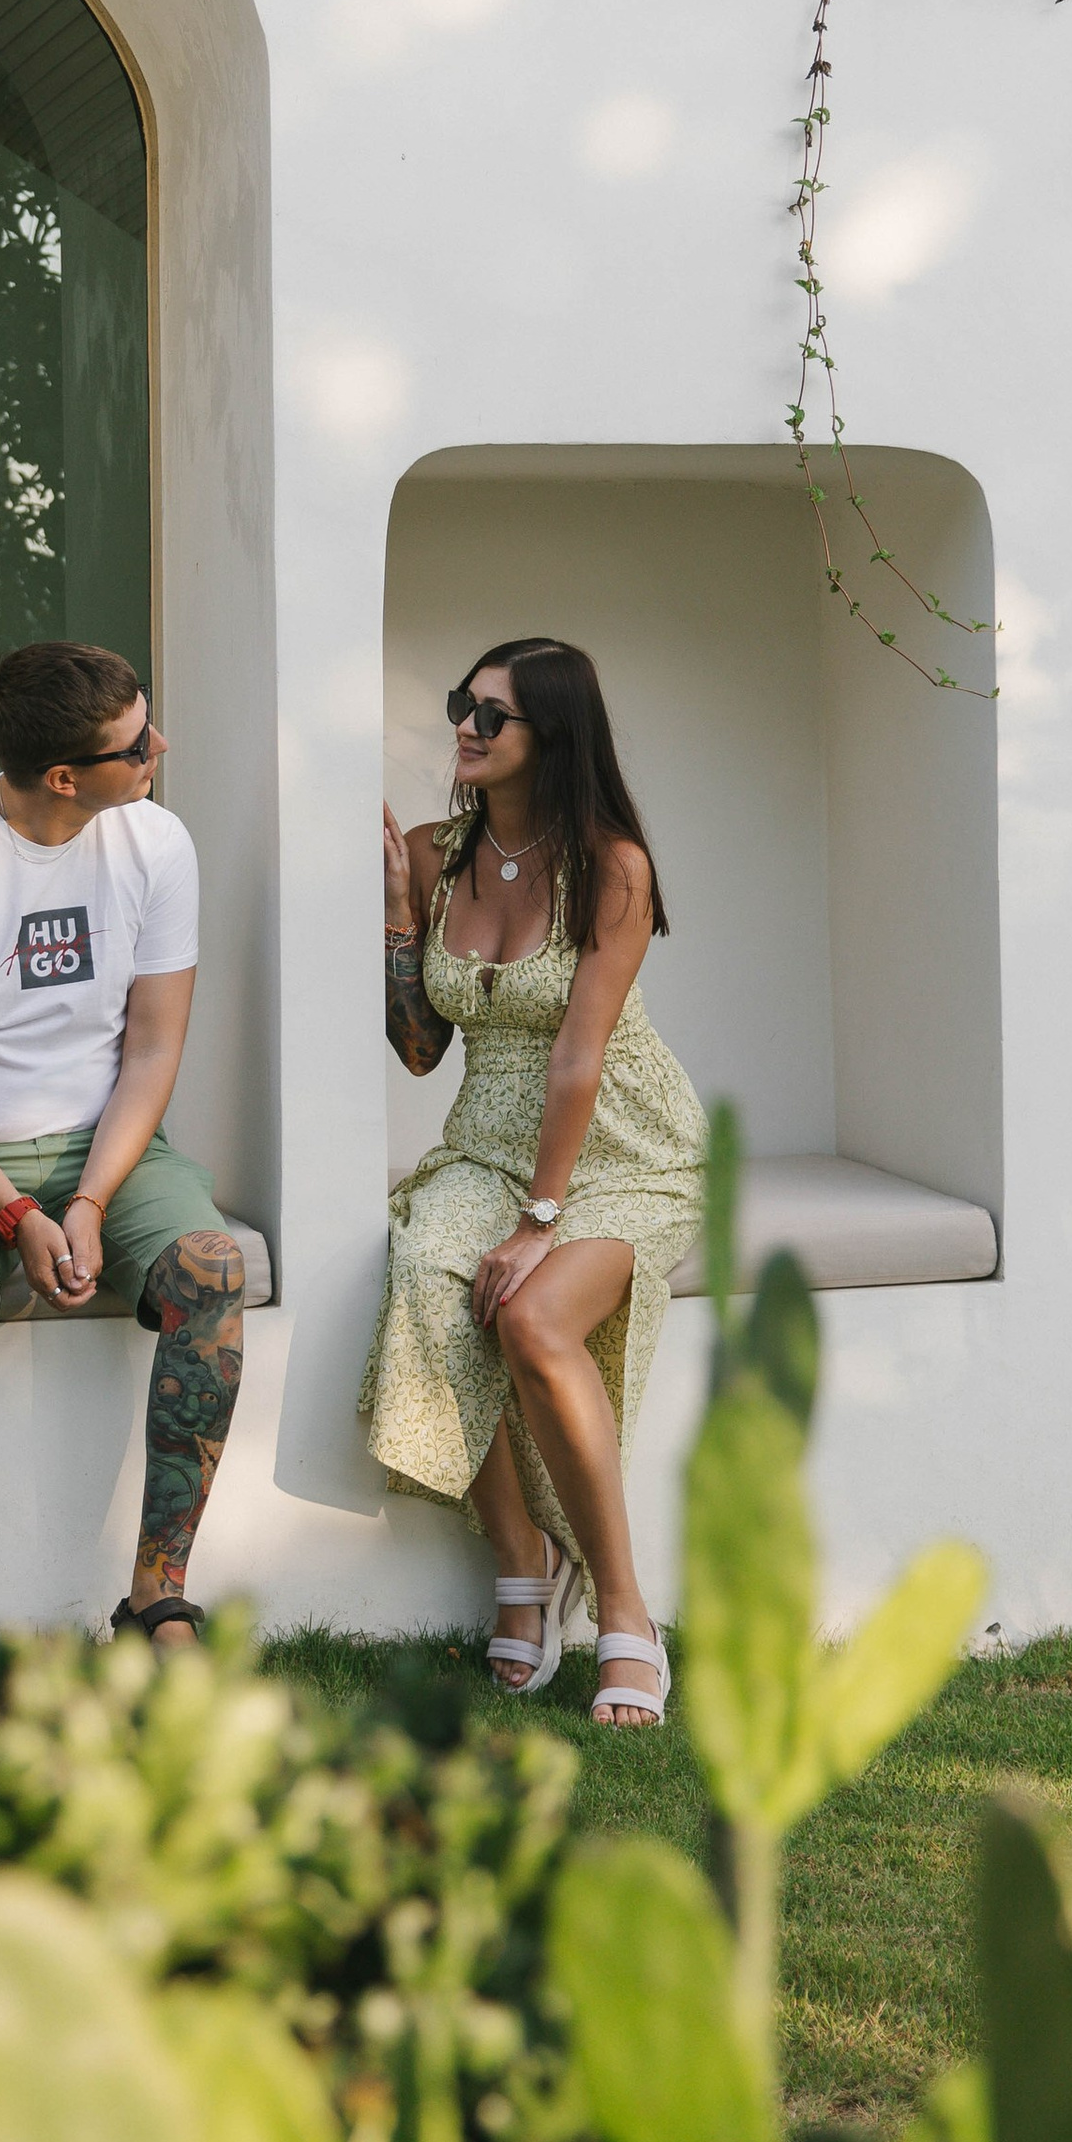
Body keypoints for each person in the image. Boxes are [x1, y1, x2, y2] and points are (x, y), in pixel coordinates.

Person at [0, 638, 248, 1670]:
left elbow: (154, 1047)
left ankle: (158, 1602)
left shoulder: (156, 844)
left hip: (109, 1144)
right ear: (65, 777)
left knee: (213, 1269)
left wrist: (88, 1201)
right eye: (135, 743)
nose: (157, 746)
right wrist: (17, 1214)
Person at [362, 637, 707, 1727]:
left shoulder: (611, 867)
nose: (463, 724)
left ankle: (624, 1612)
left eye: (491, 714)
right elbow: (420, 1050)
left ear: (550, 740)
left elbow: (577, 1055)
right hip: (483, 1145)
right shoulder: (431, 850)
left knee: (536, 1315)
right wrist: (395, 921)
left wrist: (538, 1222)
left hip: (622, 1151)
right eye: (463, 703)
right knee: (423, 1271)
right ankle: (521, 1563)